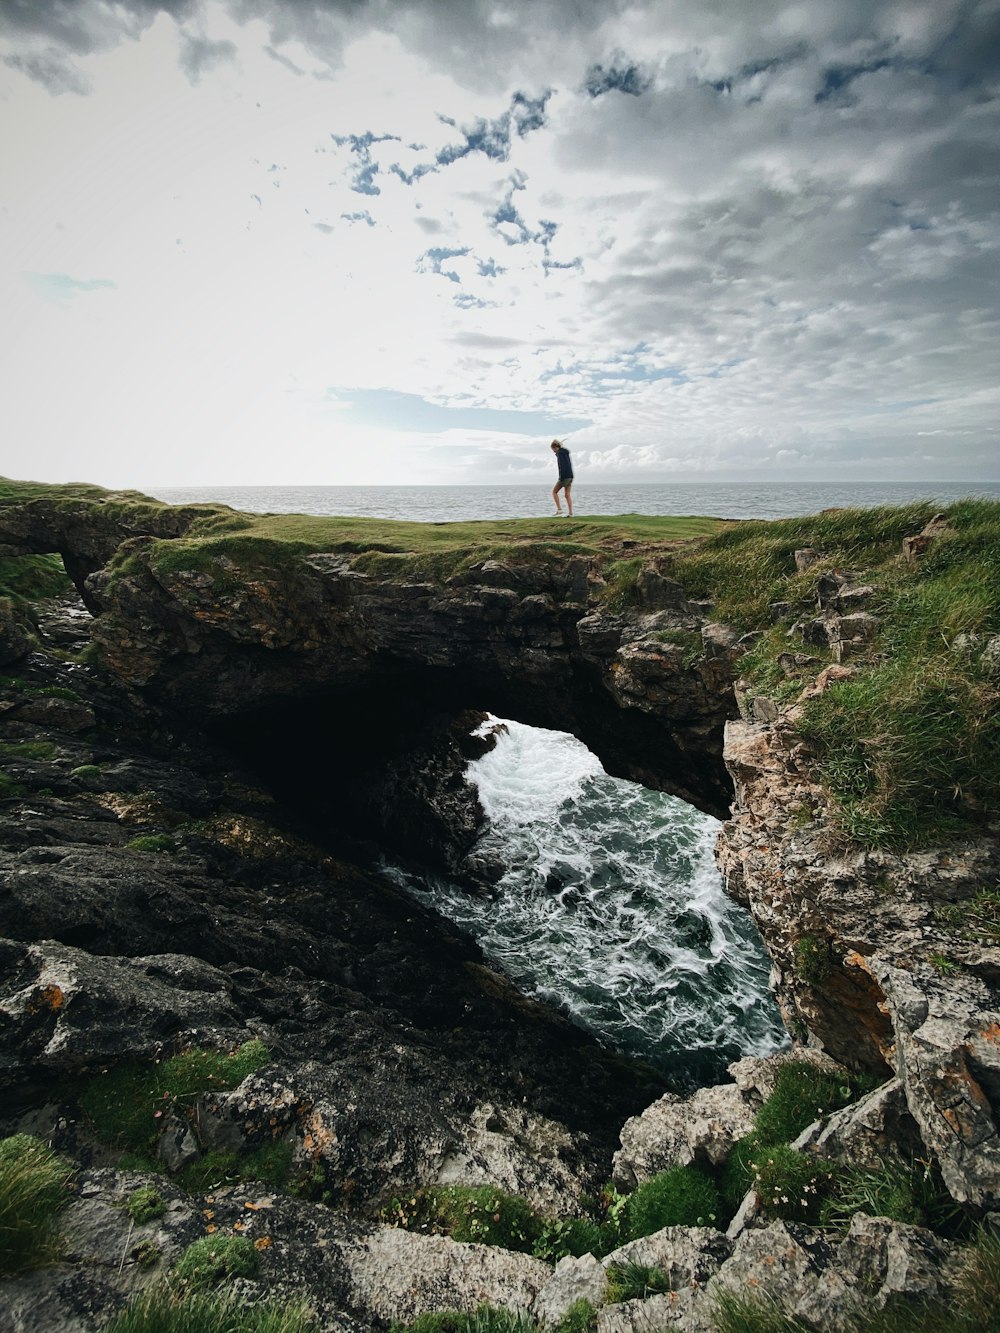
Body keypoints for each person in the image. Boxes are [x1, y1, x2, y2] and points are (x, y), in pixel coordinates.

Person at [550, 439, 574, 516]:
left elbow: (562, 466)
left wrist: (561, 478)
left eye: (553, 449)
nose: (553, 451)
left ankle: (559, 510)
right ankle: (570, 513)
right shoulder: (565, 453)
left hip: (564, 477)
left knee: (554, 492)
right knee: (567, 495)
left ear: (556, 447)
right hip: (570, 476)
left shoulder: (560, 454)